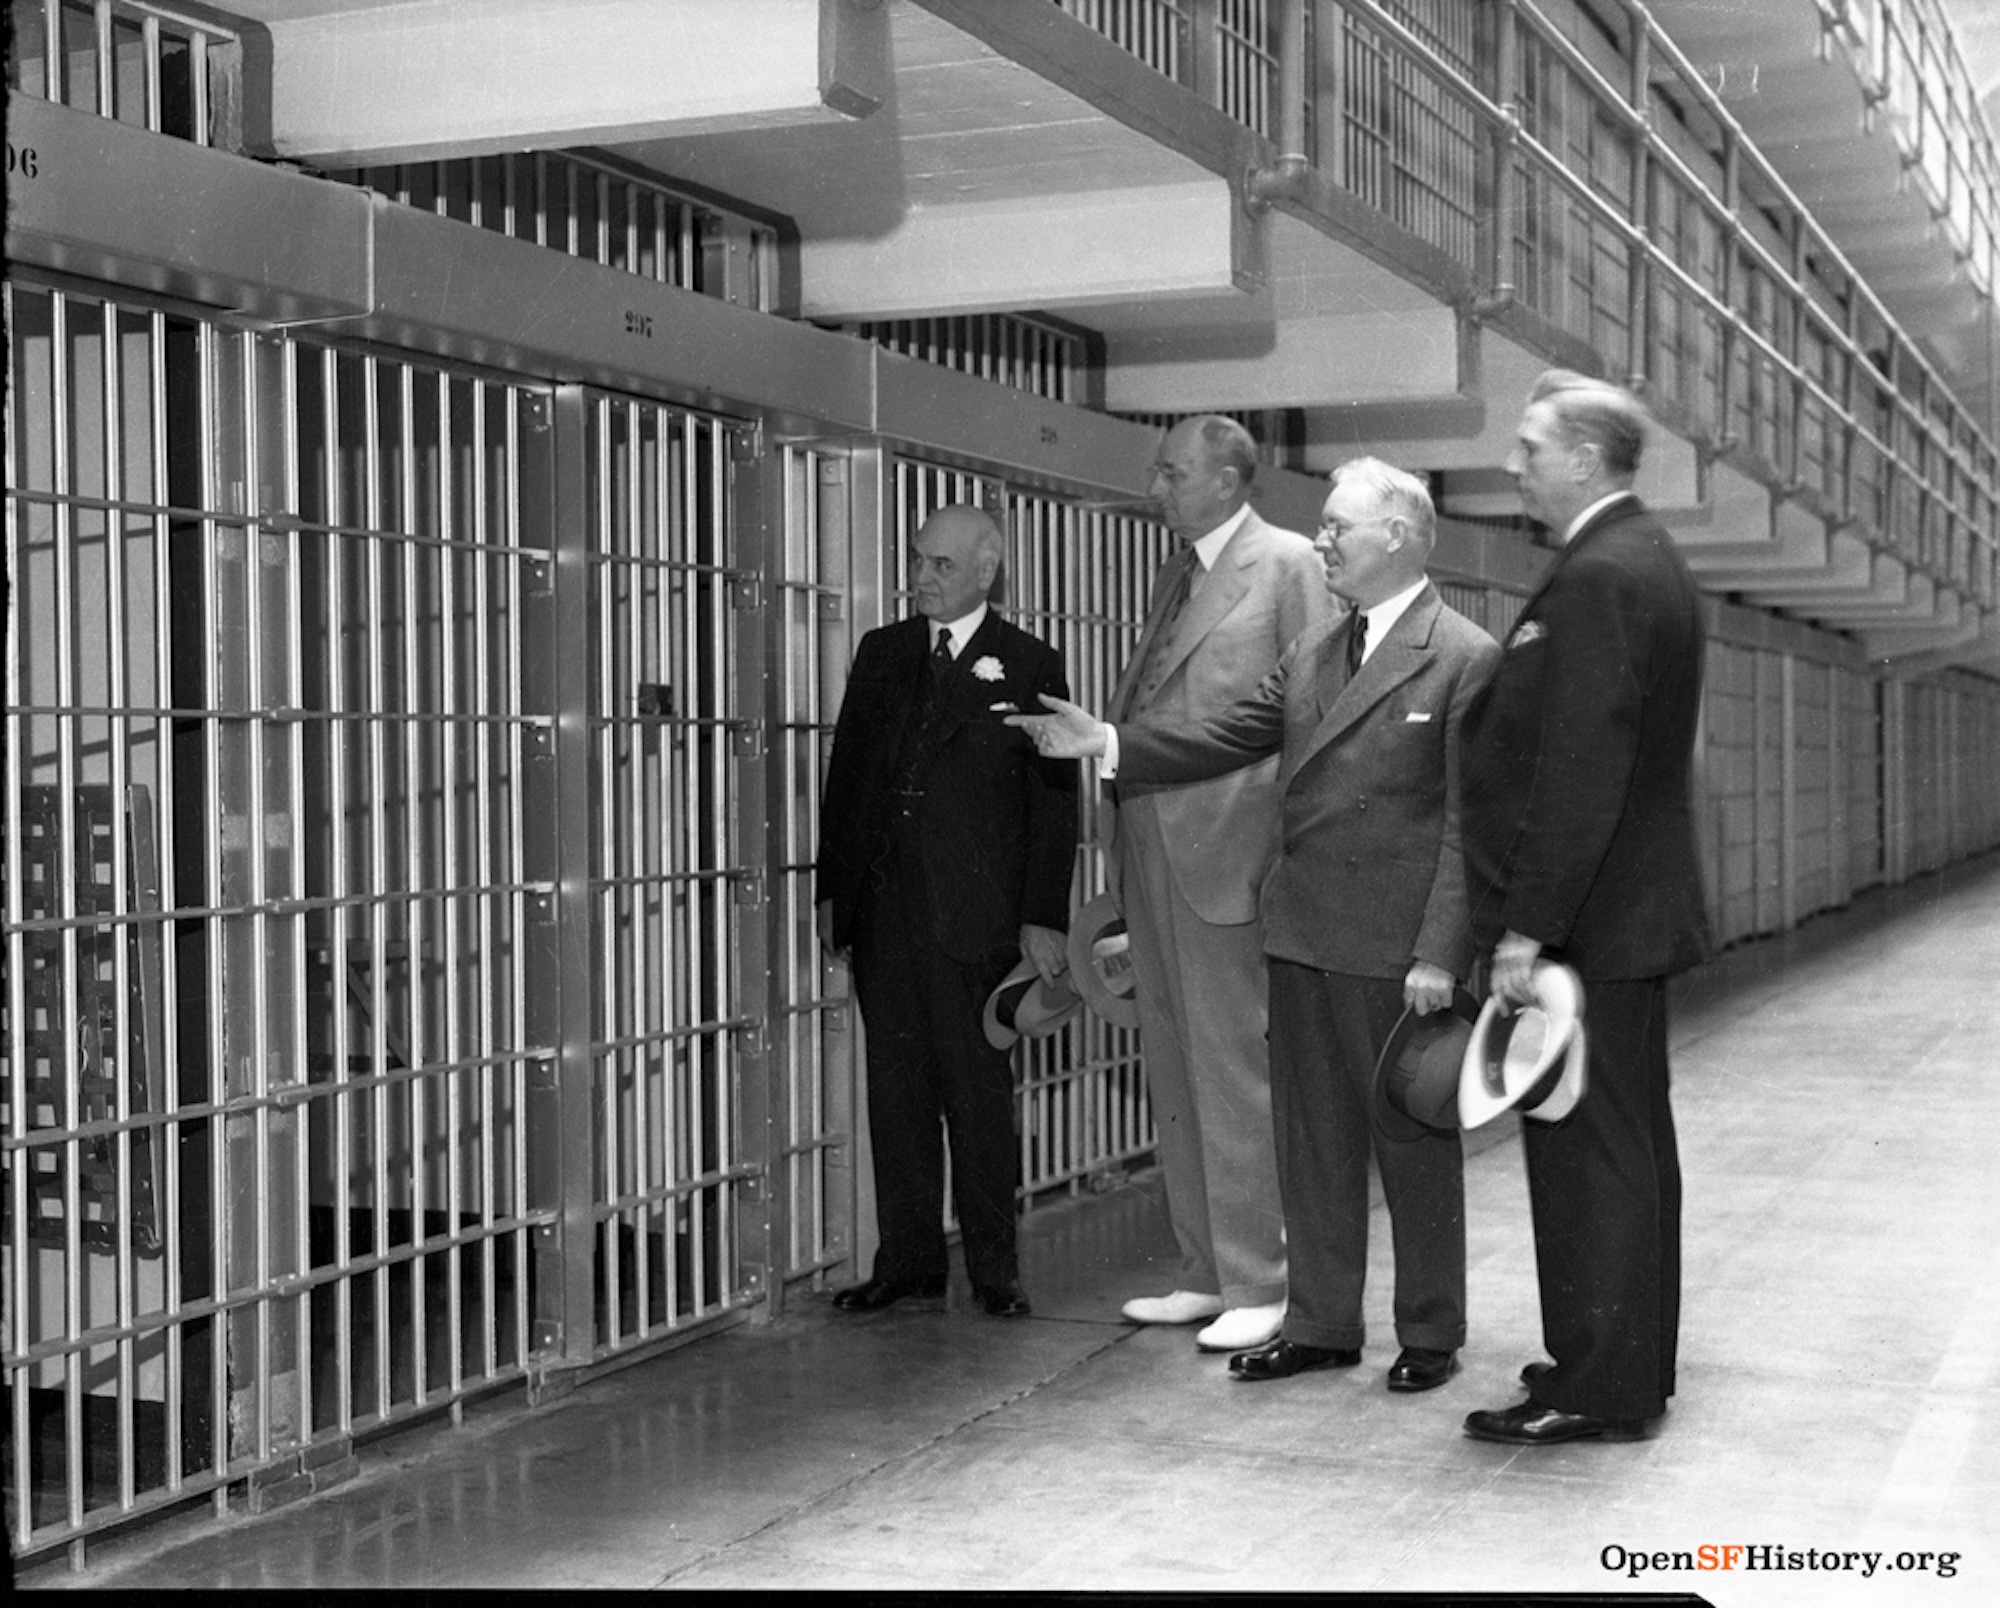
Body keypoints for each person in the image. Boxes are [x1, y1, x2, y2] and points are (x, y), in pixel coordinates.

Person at [1016, 458, 1499, 1392]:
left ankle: (1430, 1333)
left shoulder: (1464, 656)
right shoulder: (1318, 650)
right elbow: (1228, 733)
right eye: (1320, 528)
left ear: (1396, 536)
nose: (1321, 541)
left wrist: (1443, 954)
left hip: (1398, 953)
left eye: (1337, 528)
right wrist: (1108, 743)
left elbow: (1468, 831)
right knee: (1314, 1143)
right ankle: (1321, 1323)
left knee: (1411, 1142)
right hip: (1303, 936)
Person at [1457, 371, 1712, 1444]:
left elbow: (1578, 770)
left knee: (1584, 1154)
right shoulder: (1637, 558)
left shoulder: (1600, 575)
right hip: (1622, 916)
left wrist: (1526, 923)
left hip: (1587, 923)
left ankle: (1596, 1385)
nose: (1512, 463)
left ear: (1580, 459)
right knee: (1624, 1145)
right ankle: (1622, 1361)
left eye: (1526, 446)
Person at [1101, 415, 1331, 1354]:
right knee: (1172, 1060)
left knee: (1231, 1070)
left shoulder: (1286, 566)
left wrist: (1286, 857)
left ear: (1231, 479)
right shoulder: (1181, 570)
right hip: (1153, 842)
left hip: (1229, 851)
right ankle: (1205, 1268)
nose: (1157, 487)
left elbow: (1314, 722)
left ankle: (1261, 1278)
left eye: (1172, 472)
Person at [816, 505, 1078, 1318]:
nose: (922, 578)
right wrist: (835, 895)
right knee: (895, 1096)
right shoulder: (883, 653)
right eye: (919, 561)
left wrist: (1042, 915)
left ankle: (995, 1272)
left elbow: (1053, 801)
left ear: (986, 572)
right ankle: (908, 1262)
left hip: (977, 920)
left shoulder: (1029, 661)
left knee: (978, 1098)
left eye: (942, 566)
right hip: (885, 914)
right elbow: (849, 778)